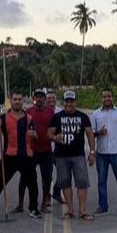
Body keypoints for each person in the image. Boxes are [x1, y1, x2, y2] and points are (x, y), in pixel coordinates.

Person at [0, 92, 42, 220]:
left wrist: (33, 134)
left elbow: (36, 136)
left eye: (19, 99)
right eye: (15, 99)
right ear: (11, 101)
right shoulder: (3, 118)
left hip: (26, 156)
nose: (17, 101)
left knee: (32, 184)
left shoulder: (29, 118)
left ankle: (33, 209)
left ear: (23, 101)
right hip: (9, 156)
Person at [48, 91, 96, 221]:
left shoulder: (83, 116)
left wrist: (92, 152)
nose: (69, 104)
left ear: (75, 102)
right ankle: (70, 210)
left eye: (71, 101)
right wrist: (54, 138)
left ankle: (82, 210)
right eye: (67, 101)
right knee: (65, 183)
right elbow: (49, 133)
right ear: (63, 102)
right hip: (61, 156)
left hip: (78, 155)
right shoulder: (57, 117)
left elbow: (90, 134)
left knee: (82, 183)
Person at [91, 87, 117, 217]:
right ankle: (103, 206)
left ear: (112, 98)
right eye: (104, 97)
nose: (107, 99)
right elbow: (91, 133)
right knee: (101, 181)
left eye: (109, 96)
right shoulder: (95, 114)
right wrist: (99, 132)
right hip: (101, 152)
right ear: (101, 98)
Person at [14, 89, 55, 214]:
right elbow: (21, 130)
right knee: (25, 178)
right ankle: (20, 204)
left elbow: (55, 129)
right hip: (31, 151)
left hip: (47, 151)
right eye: (37, 96)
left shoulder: (51, 112)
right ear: (34, 98)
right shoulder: (28, 112)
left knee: (47, 178)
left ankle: (43, 204)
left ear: (45, 98)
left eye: (42, 96)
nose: (40, 99)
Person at [46, 89, 64, 206]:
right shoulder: (44, 112)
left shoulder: (61, 112)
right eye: (49, 98)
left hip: (59, 149)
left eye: (53, 98)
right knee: (47, 175)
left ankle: (56, 193)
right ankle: (46, 197)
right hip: (47, 149)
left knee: (63, 173)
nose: (51, 100)